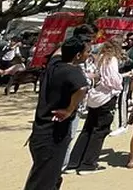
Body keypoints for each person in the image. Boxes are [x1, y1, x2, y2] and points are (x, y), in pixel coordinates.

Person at [24, 37, 90, 190]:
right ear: (78, 55)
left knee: (44, 174)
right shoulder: (72, 71)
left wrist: (72, 38)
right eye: (87, 52)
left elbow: (57, 52)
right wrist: (69, 110)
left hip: (40, 132)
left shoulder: (54, 65)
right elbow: (81, 88)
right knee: (43, 180)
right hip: (54, 134)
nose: (89, 55)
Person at [67, 39, 124, 174]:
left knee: (88, 129)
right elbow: (114, 80)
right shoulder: (112, 60)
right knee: (100, 131)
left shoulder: (100, 59)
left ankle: (74, 162)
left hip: (95, 96)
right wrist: (120, 84)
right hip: (106, 97)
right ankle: (88, 163)